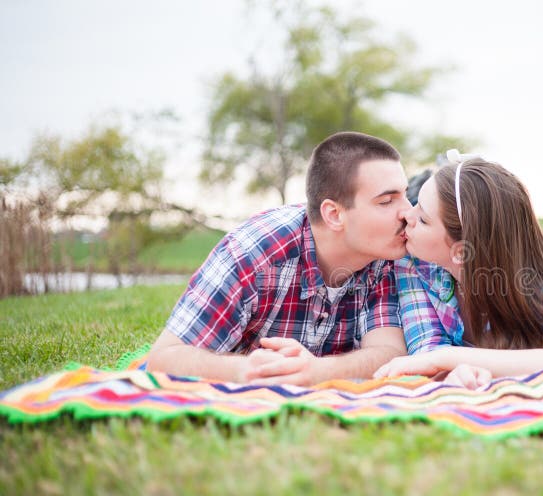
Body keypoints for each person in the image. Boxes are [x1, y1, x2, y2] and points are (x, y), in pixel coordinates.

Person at [147, 132, 412, 385]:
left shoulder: (385, 253)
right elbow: (164, 357)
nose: (408, 213)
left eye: (405, 195)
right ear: (333, 214)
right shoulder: (253, 253)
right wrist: (245, 369)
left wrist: (318, 371)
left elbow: (389, 351)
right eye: (387, 201)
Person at [374, 152, 543, 388]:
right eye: (416, 205)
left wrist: (447, 358)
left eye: (423, 219)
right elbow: (426, 347)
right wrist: (458, 369)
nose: (407, 214)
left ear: (461, 252)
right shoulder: (414, 265)